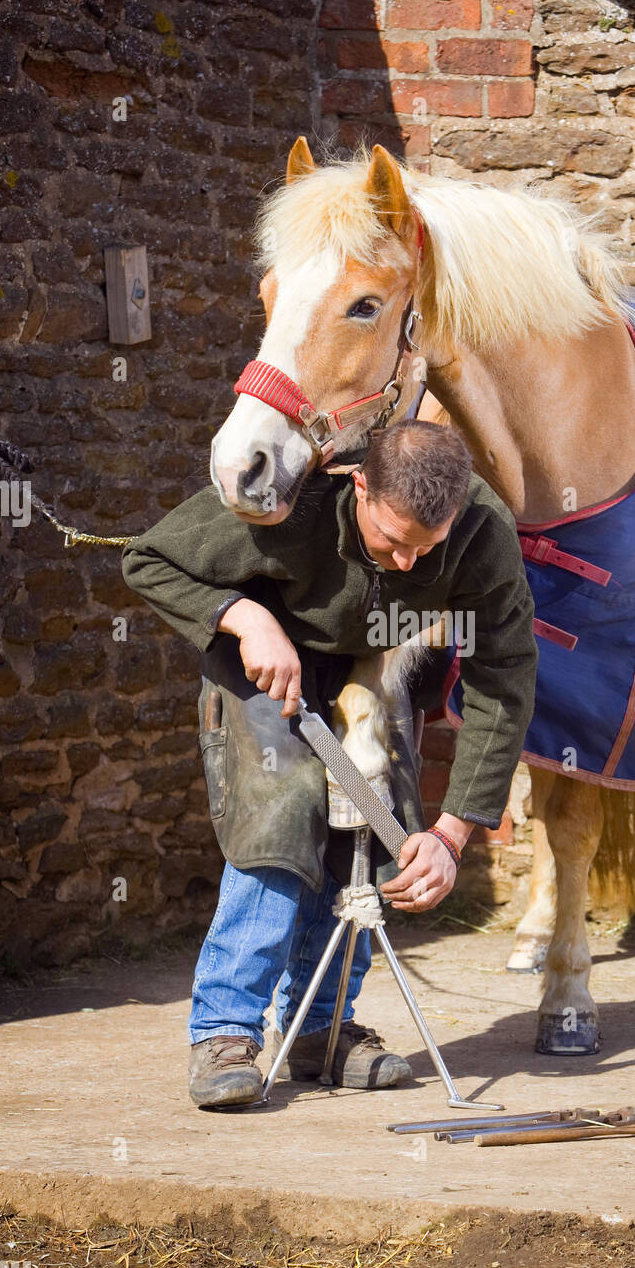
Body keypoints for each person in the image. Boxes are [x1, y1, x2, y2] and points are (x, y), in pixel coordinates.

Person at [121, 420, 537, 1108]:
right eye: (393, 540)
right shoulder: (295, 492)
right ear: (360, 486)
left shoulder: (482, 531)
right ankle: (224, 1033)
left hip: (370, 665)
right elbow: (150, 559)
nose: (407, 564)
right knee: (280, 823)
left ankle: (319, 1031)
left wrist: (454, 831)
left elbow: (505, 672)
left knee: (369, 836)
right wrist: (243, 617)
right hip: (262, 658)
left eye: (424, 549)